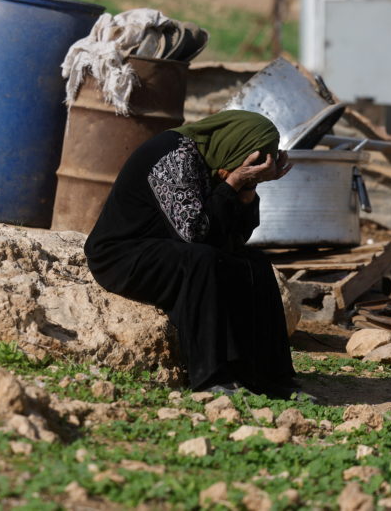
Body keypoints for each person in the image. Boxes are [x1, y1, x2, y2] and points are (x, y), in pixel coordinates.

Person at [84, 110, 304, 398]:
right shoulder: (174, 155)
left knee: (255, 264)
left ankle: (272, 379)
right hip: (122, 255)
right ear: (232, 146)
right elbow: (194, 232)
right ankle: (211, 378)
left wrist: (249, 186)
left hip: (169, 249)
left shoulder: (213, 159)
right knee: (202, 261)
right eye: (247, 163)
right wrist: (233, 183)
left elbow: (235, 237)